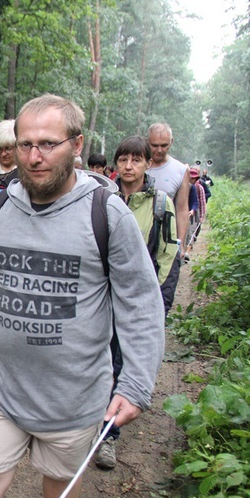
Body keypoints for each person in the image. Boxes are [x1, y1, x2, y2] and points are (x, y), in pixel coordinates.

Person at [0, 95, 164, 498]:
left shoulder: (107, 214)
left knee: (59, 490)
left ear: (77, 145)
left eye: (48, 144)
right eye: (25, 144)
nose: (35, 157)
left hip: (72, 396)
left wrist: (136, 383)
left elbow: (140, 303)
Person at [93, 136, 178, 470]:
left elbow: (168, 253)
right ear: (116, 164)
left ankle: (107, 438)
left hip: (134, 300)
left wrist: (154, 299)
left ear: (147, 164)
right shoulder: (100, 197)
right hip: (100, 299)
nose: (129, 166)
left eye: (137, 160)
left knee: (118, 364)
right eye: (124, 160)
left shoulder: (160, 204)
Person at [146, 123, 190, 313]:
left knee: (163, 298)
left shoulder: (180, 170)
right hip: (140, 239)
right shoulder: (138, 166)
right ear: (147, 142)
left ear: (171, 142)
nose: (159, 150)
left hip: (166, 240)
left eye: (164, 145)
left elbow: (182, 209)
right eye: (155, 145)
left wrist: (180, 244)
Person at [186, 166, 206, 253]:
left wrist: (198, 213)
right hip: (181, 213)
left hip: (192, 213)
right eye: (191, 178)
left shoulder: (197, 187)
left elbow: (198, 202)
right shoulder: (181, 186)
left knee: (191, 231)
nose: (192, 180)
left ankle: (187, 251)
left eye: (194, 178)